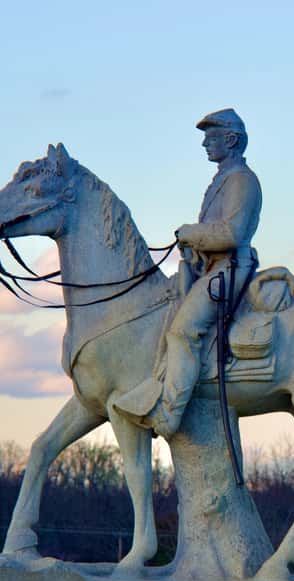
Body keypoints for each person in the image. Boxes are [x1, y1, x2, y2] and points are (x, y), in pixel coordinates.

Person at [114, 108, 262, 437]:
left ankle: (170, 413)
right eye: (205, 138)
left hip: (230, 269)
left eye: (212, 137)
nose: (205, 144)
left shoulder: (241, 180)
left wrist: (191, 234)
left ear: (232, 140)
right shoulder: (224, 179)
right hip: (212, 267)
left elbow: (233, 232)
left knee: (184, 331)